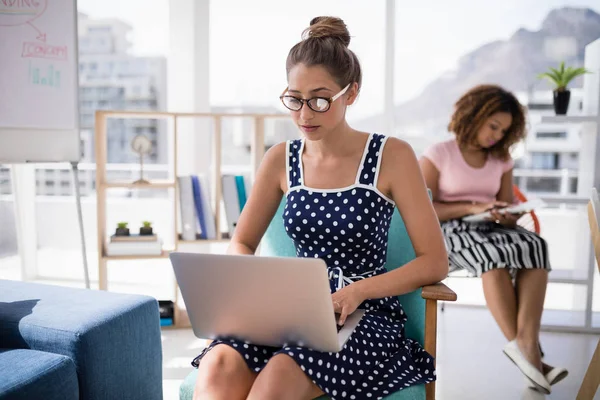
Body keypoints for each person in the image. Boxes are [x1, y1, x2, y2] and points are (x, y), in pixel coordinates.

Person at [191, 16, 448, 400]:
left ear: (351, 93)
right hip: (287, 310)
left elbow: (434, 262)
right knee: (219, 364)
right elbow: (242, 241)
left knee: (279, 375)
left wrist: (357, 292)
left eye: (320, 99)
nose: (305, 115)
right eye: (295, 99)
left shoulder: (392, 156)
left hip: (363, 314)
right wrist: (252, 290)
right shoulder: (280, 159)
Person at [419, 84, 567, 394]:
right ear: (475, 115)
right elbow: (425, 207)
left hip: (492, 228)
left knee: (535, 245)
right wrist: (473, 206)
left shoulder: (501, 159)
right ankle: (533, 357)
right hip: (449, 230)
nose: (497, 136)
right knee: (495, 259)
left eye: (504, 131)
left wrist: (507, 214)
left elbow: (506, 203)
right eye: (494, 126)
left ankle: (525, 345)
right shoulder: (440, 153)